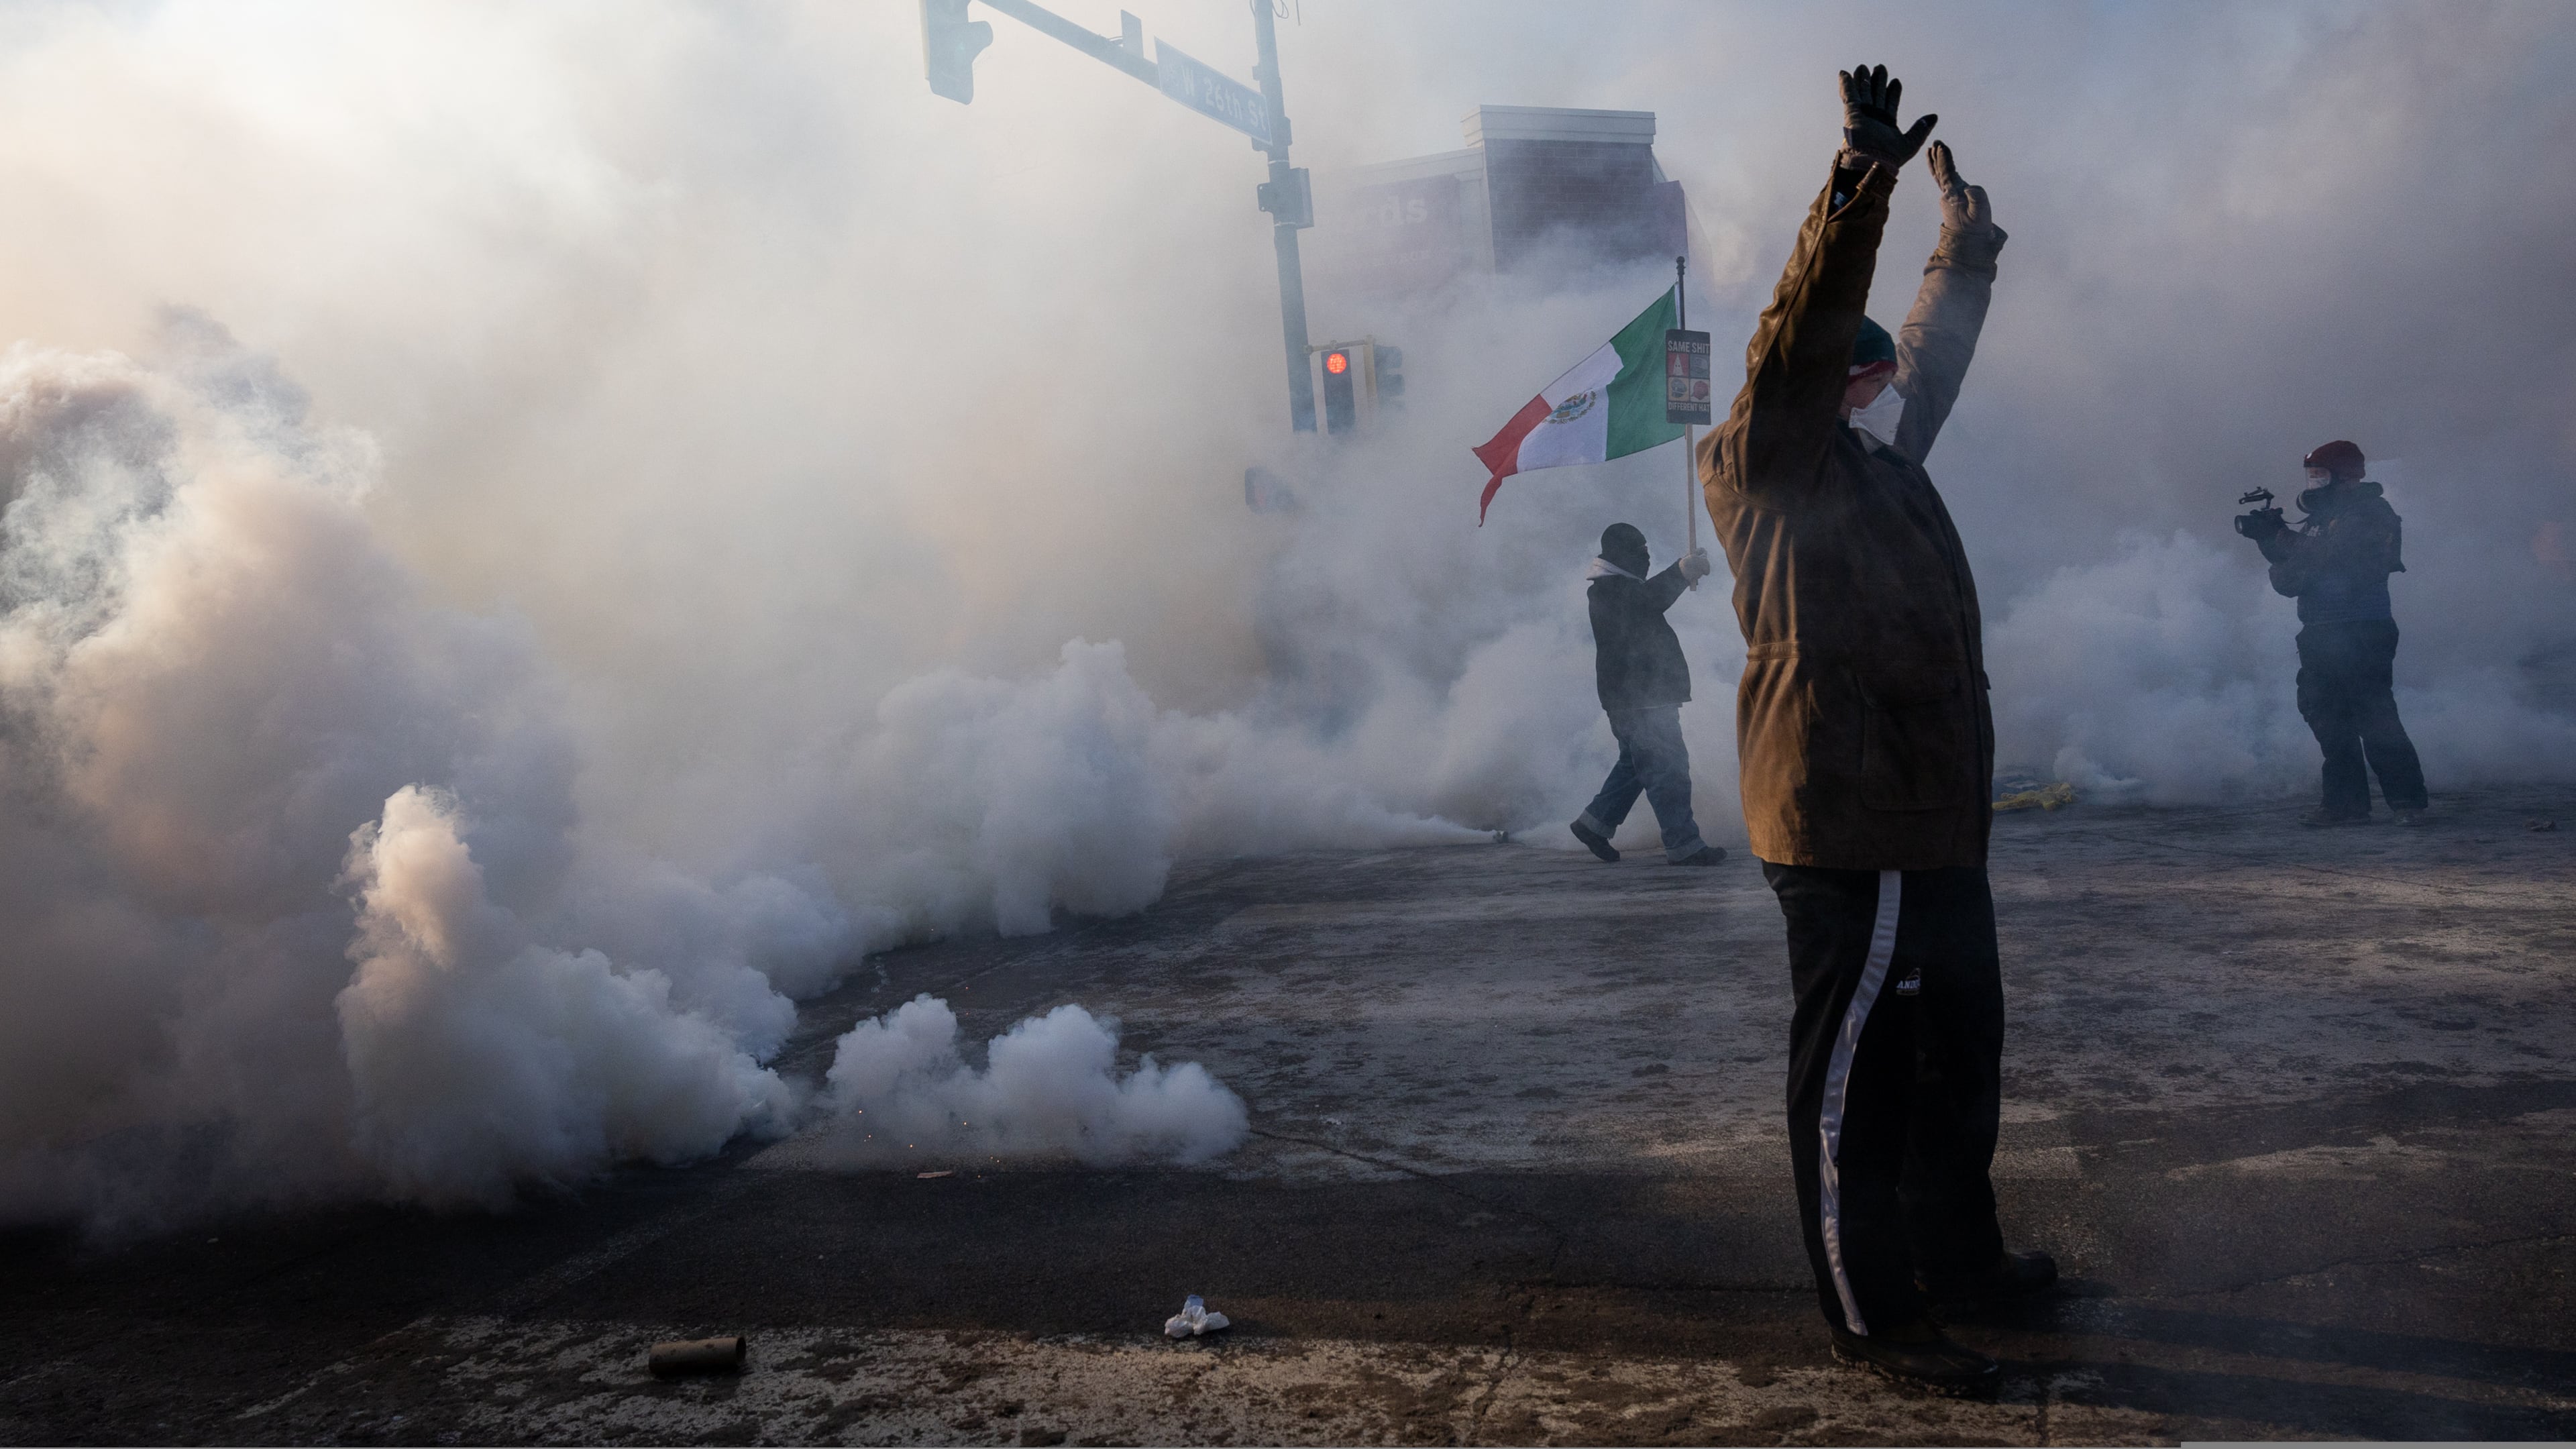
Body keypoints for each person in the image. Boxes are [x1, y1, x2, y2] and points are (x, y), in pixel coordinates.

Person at [1699, 64, 2053, 1393]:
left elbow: (1929, 362)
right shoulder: (1764, 458)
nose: (1876, 389)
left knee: (1958, 1058)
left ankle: (1962, 1260)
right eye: (1854, 376)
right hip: (1850, 819)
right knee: (1858, 1088)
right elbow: (1806, 334)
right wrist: (1860, 189)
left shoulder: (1874, 458)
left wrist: (1962, 248)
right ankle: (1877, 1318)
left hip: (1930, 818)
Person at [2236, 441, 2428, 826]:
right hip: (2320, 630)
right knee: (2326, 715)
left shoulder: (2373, 513)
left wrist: (2284, 539)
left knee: (2374, 716)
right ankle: (2345, 805)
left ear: (2347, 477)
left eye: (2322, 475)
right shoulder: (2319, 521)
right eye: (2312, 476)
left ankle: (2409, 805)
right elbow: (2290, 576)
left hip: (2362, 629)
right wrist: (2266, 538)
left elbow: (2332, 556)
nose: (2315, 483)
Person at [1568, 523, 1725, 867]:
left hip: (1637, 699)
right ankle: (1684, 845)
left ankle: (1594, 824)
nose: (1646, 554)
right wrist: (1682, 572)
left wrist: (1683, 572)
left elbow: (1646, 600)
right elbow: (1647, 601)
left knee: (1637, 766)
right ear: (1620, 553)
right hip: (1641, 700)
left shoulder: (1617, 587)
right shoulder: (1608, 590)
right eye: (1640, 548)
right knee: (1668, 770)